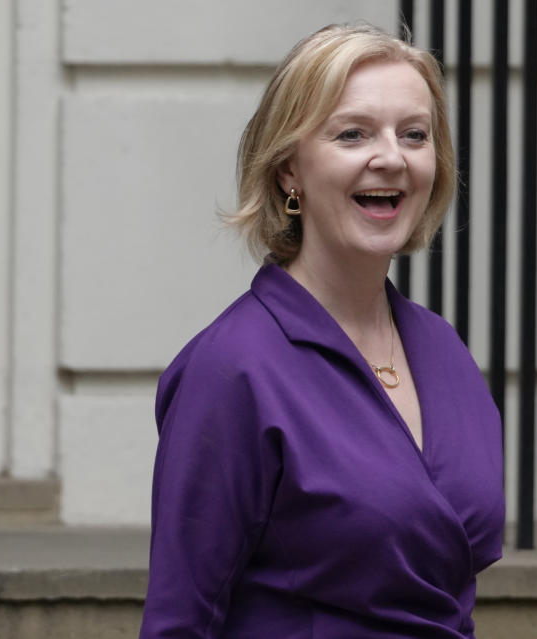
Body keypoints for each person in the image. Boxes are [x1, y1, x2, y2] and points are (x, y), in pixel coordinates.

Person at [138, 23, 505, 639]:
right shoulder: (233, 368)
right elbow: (180, 620)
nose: (390, 156)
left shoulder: (443, 350)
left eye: (414, 134)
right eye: (352, 133)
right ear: (289, 170)